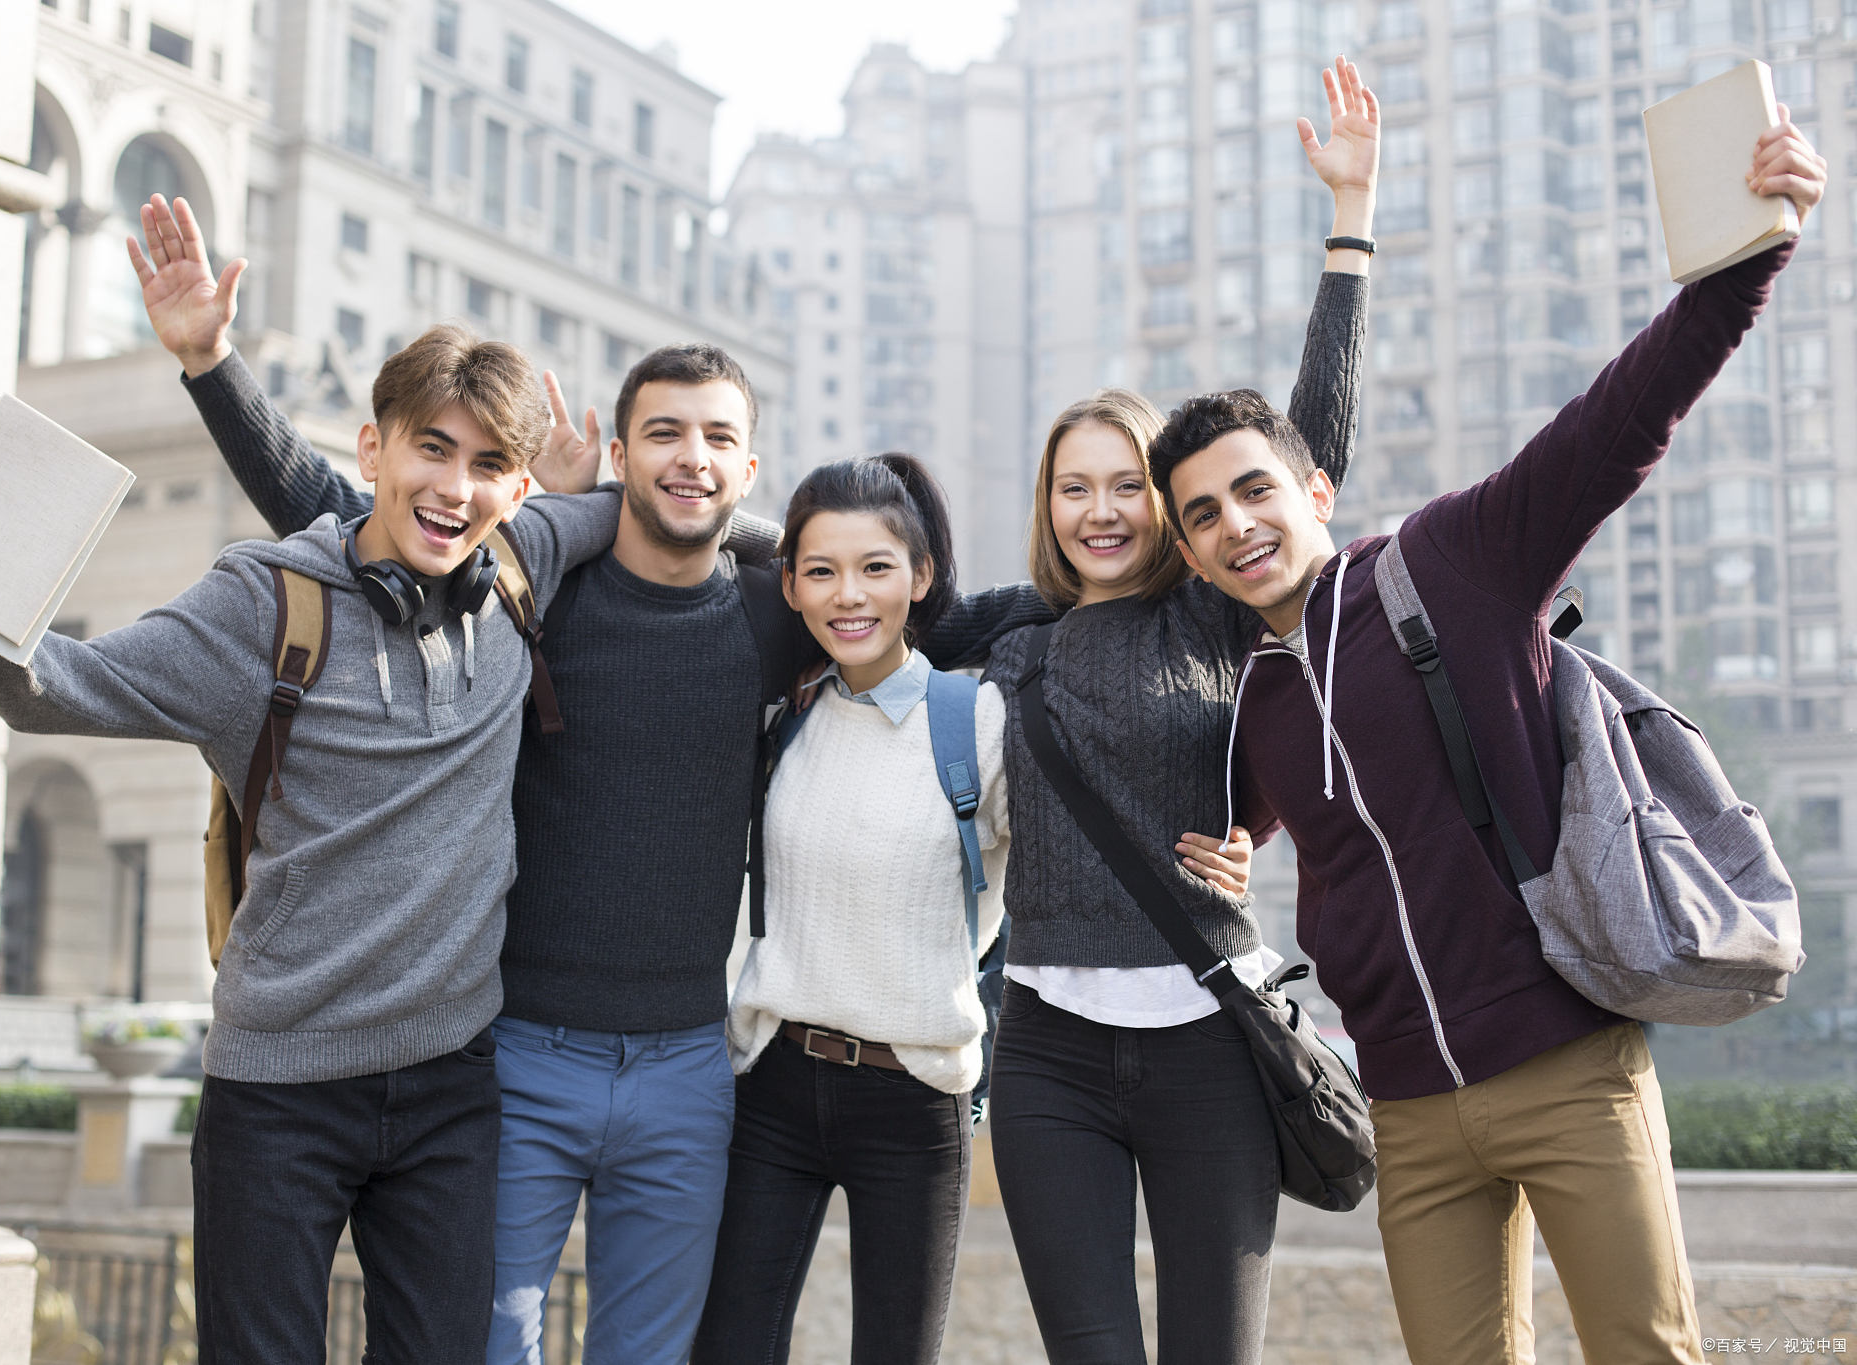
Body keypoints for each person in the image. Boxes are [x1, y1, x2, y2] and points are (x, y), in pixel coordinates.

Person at [119, 196, 1054, 1363]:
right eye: (662, 434)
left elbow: (949, 611)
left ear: (747, 464)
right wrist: (211, 365)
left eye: (716, 439)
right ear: (616, 454)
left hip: (684, 1068)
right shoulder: (525, 585)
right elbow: (344, 512)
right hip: (512, 1057)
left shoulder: (780, 616)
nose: (690, 458)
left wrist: (1125, 581)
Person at [1151, 110, 1826, 1365]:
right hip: (1405, 1107)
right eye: (1201, 516)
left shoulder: (1448, 564)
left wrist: (1754, 247)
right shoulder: (1255, 699)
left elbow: (1623, 417)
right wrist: (1232, 852)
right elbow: (1223, 826)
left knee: (1646, 1351)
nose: (1235, 525)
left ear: (1312, 490)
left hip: (1565, 1067)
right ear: (1186, 552)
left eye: (1254, 490)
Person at [0, 329, 623, 1364]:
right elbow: (47, 684)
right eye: (433, 450)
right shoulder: (263, 605)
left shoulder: (517, 567)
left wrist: (883, 583)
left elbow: (676, 511)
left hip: (451, 1086)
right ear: (372, 452)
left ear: (520, 486)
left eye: (490, 464)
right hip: (277, 1093)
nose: (456, 488)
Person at [976, 56, 1376, 1365]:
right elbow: (852, 571)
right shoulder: (1014, 635)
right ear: (1047, 506)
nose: (1098, 509)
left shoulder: (1215, 610)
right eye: (1070, 487)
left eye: (1125, 486)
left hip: (1211, 1036)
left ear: (1169, 509)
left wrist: (1350, 228)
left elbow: (1305, 446)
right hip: (1044, 1054)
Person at [690, 452, 1255, 1364]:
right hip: (772, 1083)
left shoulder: (981, 721)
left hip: (917, 1099)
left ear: (921, 579)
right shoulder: (783, 708)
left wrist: (1233, 837)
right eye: (822, 571)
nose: (849, 596)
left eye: (877, 568)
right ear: (789, 583)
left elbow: (1101, 829)